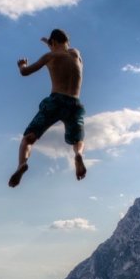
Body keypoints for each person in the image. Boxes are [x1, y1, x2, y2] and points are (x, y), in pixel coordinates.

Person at [9, 28, 86, 187]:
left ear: (54, 43)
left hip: (56, 101)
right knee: (78, 139)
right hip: (74, 103)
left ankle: (21, 164)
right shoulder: (76, 54)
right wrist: (49, 43)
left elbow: (25, 73)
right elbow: (62, 50)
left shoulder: (49, 56)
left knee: (28, 139)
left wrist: (22, 65)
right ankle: (78, 154)